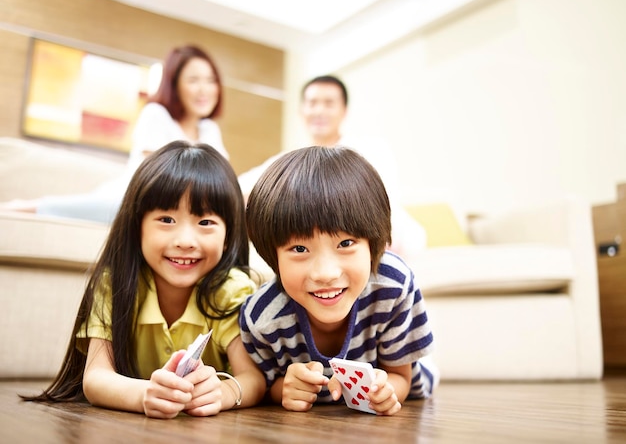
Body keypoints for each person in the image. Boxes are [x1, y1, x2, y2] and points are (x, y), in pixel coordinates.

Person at [21, 141, 266, 418]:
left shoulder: (231, 289)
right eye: (166, 220)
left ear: (228, 237)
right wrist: (145, 394)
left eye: (205, 223)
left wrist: (221, 394)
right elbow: (96, 377)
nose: (185, 241)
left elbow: (253, 379)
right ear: (137, 227)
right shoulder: (115, 284)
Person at [239, 146, 438, 416]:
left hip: (409, 393)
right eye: (299, 249)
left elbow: (400, 376)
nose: (325, 273)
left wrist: (384, 390)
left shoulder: (392, 286)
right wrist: (285, 389)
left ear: (373, 243)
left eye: (345, 243)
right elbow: (267, 386)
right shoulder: (262, 317)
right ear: (272, 256)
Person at [1, 44, 228, 224]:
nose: (204, 89)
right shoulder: (156, 114)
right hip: (132, 197)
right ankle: (18, 208)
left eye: (210, 81)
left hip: (180, 208)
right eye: (193, 80)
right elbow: (162, 172)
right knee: (73, 209)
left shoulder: (210, 130)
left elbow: (222, 179)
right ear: (174, 85)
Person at [238, 75, 427, 259]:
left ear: (343, 111)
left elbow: (383, 205)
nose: (319, 111)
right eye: (312, 103)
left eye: (329, 103)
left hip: (386, 240)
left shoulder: (372, 149)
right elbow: (237, 188)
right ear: (302, 110)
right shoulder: (288, 161)